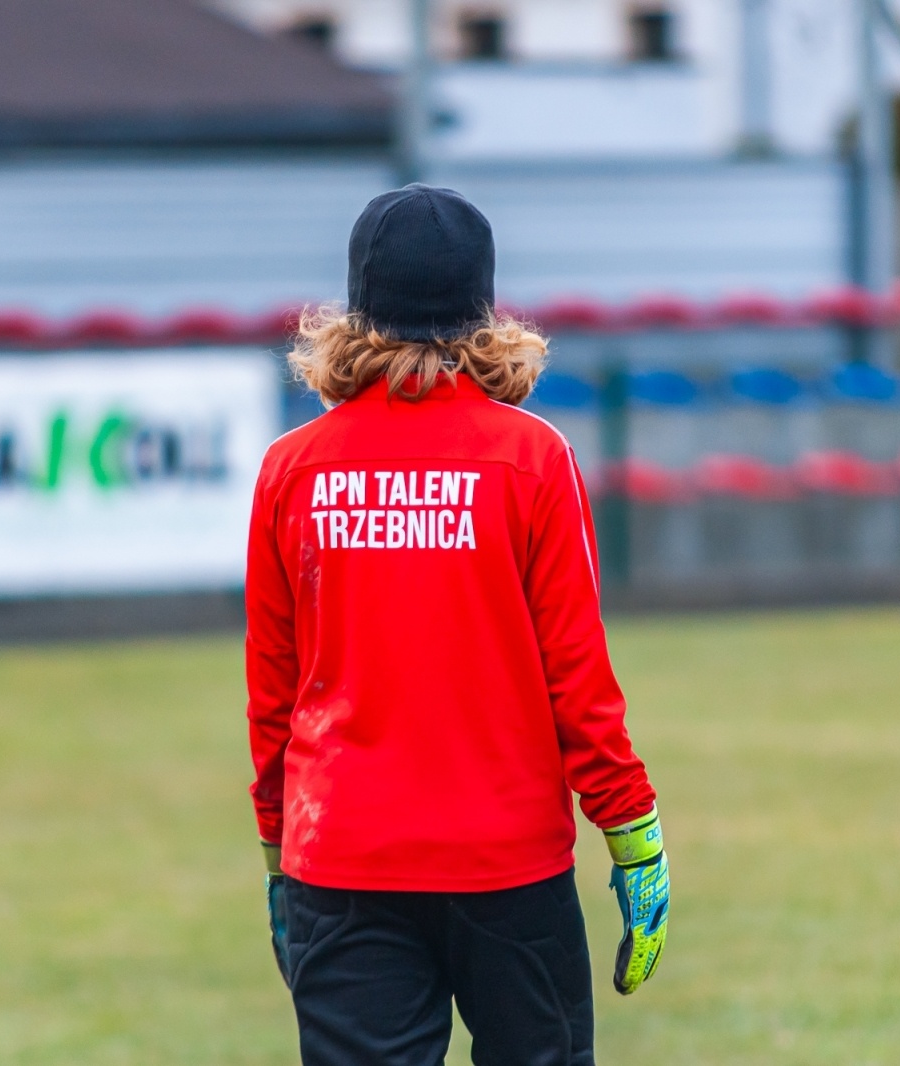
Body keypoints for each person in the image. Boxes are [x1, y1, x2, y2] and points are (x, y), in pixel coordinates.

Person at [244, 183, 668, 1066]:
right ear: (483, 307)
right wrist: (633, 835)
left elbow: (273, 692)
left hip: (342, 862)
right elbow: (578, 679)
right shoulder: (533, 459)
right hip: (511, 867)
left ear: (357, 307)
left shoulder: (291, 470)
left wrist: (278, 848)